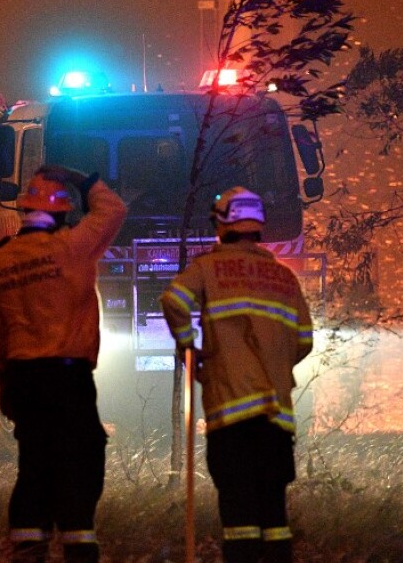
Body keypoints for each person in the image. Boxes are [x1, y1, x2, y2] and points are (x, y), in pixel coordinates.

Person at [0, 165, 127, 563]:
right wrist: (84, 180)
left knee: (34, 463)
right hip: (68, 376)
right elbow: (112, 210)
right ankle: (79, 544)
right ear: (61, 213)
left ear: (25, 211)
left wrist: (7, 384)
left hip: (24, 377)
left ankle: (29, 547)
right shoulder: (72, 247)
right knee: (81, 457)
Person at [159, 186, 313, 563]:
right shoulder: (283, 278)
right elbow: (305, 340)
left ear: (223, 224)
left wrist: (188, 348)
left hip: (231, 414)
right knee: (274, 514)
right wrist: (274, 364)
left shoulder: (208, 268)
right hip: (276, 415)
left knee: (239, 515)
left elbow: (174, 301)